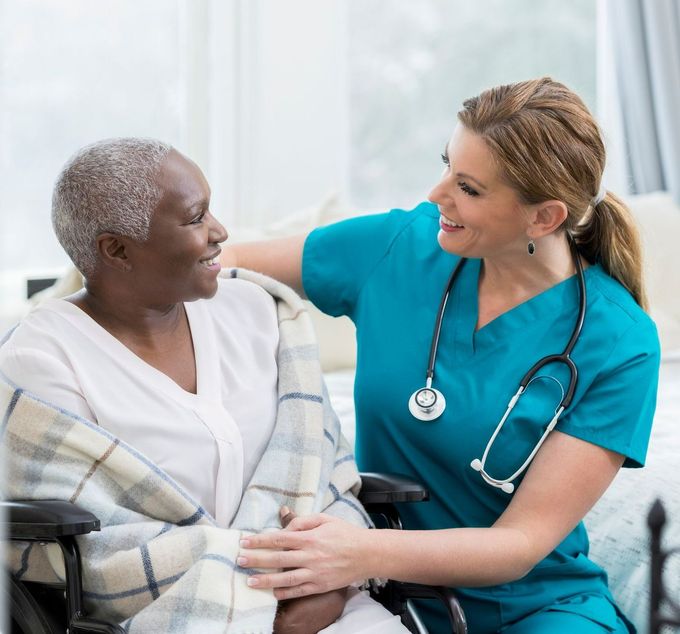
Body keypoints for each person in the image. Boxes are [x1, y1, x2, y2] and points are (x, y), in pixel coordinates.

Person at [223, 78, 661, 633]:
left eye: (469, 188)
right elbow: (225, 262)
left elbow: (520, 543)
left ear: (544, 218)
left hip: (529, 608)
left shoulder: (619, 341)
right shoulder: (399, 246)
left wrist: (359, 551)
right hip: (375, 597)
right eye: (446, 166)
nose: (436, 195)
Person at [0, 138, 410, 634]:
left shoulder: (258, 311)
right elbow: (94, 549)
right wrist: (266, 611)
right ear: (117, 249)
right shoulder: (40, 358)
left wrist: (326, 588)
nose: (220, 231)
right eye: (196, 218)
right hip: (171, 615)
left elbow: (323, 481)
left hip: (328, 601)